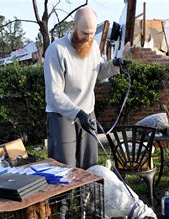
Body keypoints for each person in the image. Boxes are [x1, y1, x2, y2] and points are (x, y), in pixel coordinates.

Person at [44, 7, 128, 169]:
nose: (88, 38)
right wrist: (77, 113)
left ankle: (88, 195)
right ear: (73, 25)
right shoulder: (56, 50)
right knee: (65, 167)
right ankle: (66, 196)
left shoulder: (93, 46)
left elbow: (99, 73)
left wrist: (115, 65)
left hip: (87, 112)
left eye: (91, 33)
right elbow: (54, 94)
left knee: (89, 164)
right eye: (84, 33)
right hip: (61, 115)